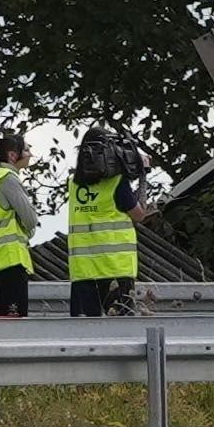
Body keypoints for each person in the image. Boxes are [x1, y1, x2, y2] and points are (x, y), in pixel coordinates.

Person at [64, 124, 152, 318]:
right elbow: (139, 214)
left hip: (83, 271)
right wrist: (142, 176)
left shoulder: (73, 183)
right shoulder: (116, 183)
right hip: (115, 269)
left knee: (83, 332)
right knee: (118, 333)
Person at [0, 129, 45, 320]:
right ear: (13, 155)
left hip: (1, 259)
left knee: (7, 317)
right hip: (9, 259)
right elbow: (31, 218)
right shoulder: (8, 179)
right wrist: (29, 228)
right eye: (26, 150)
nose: (30, 154)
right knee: (14, 319)